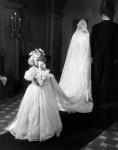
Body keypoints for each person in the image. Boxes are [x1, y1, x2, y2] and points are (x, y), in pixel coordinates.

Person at [5, 49, 62, 142]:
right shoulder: (32, 70)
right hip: (34, 90)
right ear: (33, 61)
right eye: (36, 60)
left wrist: (44, 76)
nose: (39, 61)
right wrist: (36, 80)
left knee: (46, 108)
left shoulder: (46, 70)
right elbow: (30, 78)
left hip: (45, 91)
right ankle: (33, 128)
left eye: (40, 59)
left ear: (43, 60)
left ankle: (46, 128)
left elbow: (47, 79)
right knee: (33, 108)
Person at [57, 19, 93, 113]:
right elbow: (87, 50)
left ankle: (71, 94)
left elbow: (71, 51)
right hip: (82, 59)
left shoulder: (75, 35)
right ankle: (80, 96)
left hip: (74, 59)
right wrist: (87, 60)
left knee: (73, 75)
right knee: (81, 76)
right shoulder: (86, 35)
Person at [90, 10, 115, 105]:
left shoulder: (96, 27)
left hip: (98, 52)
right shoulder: (115, 26)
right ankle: (106, 97)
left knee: (97, 75)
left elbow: (92, 42)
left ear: (103, 16)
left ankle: (96, 97)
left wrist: (92, 56)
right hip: (110, 53)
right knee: (107, 75)